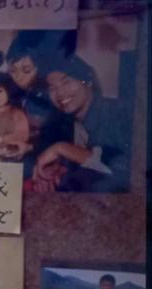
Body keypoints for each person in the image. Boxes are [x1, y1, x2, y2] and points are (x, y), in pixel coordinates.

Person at [34, 56, 132, 193]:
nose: (60, 93)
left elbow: (123, 173)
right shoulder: (65, 122)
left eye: (66, 82)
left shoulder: (118, 112)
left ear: (88, 81)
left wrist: (61, 148)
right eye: (52, 88)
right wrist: (54, 172)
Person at [5, 38, 74, 185]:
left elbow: (60, 140)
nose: (19, 77)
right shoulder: (11, 94)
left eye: (27, 70)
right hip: (15, 155)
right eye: (13, 71)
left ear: (40, 67)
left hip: (44, 158)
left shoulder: (52, 96)